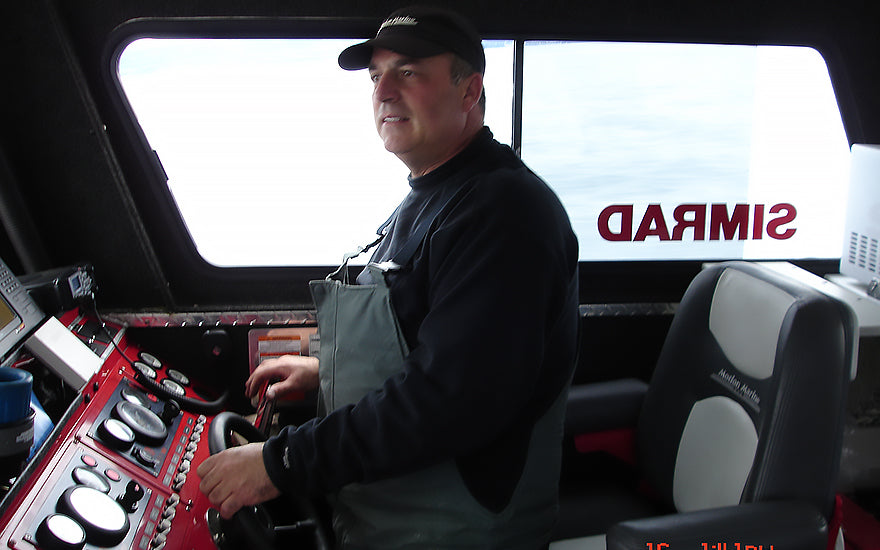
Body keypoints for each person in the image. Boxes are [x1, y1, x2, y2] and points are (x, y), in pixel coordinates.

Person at [197, 6, 579, 548]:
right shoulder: (436, 193)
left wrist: (279, 463)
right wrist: (324, 370)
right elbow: (422, 332)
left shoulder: (505, 215)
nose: (383, 93)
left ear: (470, 92)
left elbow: (450, 400)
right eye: (376, 77)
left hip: (459, 528)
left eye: (409, 72)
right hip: (394, 506)